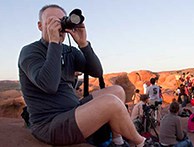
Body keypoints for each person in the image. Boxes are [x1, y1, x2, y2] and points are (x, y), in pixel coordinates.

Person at [18, 4, 146, 147]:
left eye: (61, 20)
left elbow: (97, 72)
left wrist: (83, 44)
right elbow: (49, 85)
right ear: (40, 26)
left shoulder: (68, 51)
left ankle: (118, 141)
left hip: (73, 110)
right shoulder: (30, 52)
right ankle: (141, 143)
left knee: (117, 91)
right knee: (111, 102)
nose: (57, 25)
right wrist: (54, 43)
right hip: (50, 124)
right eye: (51, 21)